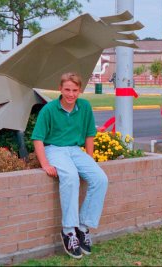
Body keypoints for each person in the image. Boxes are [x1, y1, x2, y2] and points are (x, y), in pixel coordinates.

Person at [31, 72, 108, 259]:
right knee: (71, 177)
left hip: (75, 150)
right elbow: (38, 139)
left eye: (74, 90)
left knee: (100, 179)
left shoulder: (85, 107)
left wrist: (90, 160)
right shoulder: (49, 109)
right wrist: (45, 164)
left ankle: (82, 227)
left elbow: (90, 135)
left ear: (79, 90)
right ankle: (68, 231)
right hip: (54, 149)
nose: (71, 94)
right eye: (67, 89)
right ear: (60, 89)